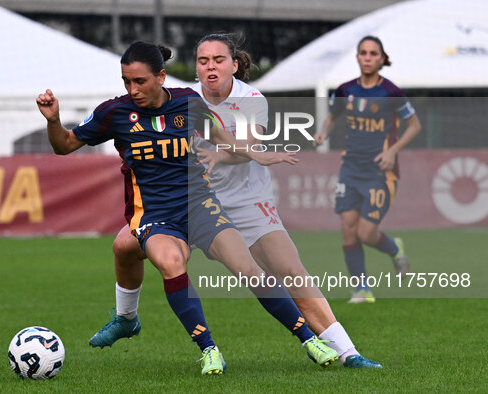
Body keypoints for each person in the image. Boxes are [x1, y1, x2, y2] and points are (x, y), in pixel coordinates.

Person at [37, 41, 338, 375]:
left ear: (161, 77)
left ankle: (310, 340)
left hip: (200, 205)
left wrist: (257, 153)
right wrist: (54, 120)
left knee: (248, 270)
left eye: (140, 81)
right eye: (126, 81)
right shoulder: (115, 112)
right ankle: (208, 349)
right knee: (170, 263)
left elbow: (222, 137)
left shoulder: (187, 102)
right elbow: (64, 145)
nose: (132, 89)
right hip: (155, 214)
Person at [91, 34, 382, 369]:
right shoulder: (178, 97)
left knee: (289, 270)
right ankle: (126, 319)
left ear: (234, 64)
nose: (210, 66)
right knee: (123, 247)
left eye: (218, 59)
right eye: (202, 61)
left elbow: (249, 145)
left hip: (244, 201)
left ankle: (347, 353)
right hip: (188, 203)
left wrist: (219, 154)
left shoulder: (251, 99)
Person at [313, 35, 421, 303]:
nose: (368, 57)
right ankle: (362, 289)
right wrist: (323, 132)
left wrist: (392, 151)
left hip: (380, 171)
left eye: (374, 53)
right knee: (348, 231)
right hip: (349, 169)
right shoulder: (345, 90)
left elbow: (415, 126)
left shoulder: (391, 92)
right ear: (358, 57)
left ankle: (395, 248)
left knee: (365, 233)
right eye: (363, 53)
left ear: (382, 59)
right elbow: (331, 118)